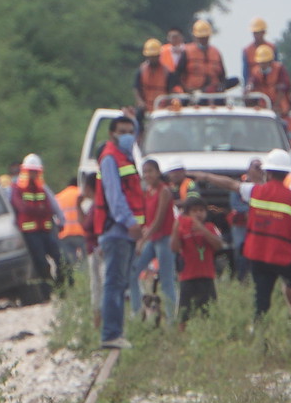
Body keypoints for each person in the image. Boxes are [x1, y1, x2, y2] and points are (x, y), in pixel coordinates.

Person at [190, 149, 291, 334]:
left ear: (268, 172)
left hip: (258, 255)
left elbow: (230, 184)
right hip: (284, 256)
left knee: (262, 302)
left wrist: (205, 176)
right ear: (286, 174)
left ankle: (260, 338)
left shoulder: (254, 191)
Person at [95, 114, 145, 348]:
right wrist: (130, 222)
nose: (127, 136)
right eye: (122, 132)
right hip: (117, 231)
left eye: (130, 132)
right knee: (114, 284)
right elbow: (114, 197)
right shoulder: (110, 158)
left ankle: (115, 332)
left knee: (120, 284)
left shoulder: (126, 158)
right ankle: (111, 334)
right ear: (112, 134)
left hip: (125, 232)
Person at [133, 157, 179, 320]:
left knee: (167, 281)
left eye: (150, 171)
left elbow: (159, 220)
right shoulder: (148, 191)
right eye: (145, 172)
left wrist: (142, 239)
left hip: (164, 239)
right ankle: (138, 311)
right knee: (133, 271)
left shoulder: (164, 191)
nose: (147, 175)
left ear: (158, 173)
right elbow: (146, 218)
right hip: (152, 239)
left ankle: (172, 319)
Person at [9, 153, 63, 286]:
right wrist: (39, 209)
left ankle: (62, 284)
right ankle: (48, 286)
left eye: (35, 171)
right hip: (30, 233)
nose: (33, 174)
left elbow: (49, 207)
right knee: (40, 261)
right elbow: (22, 208)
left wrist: (36, 209)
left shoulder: (41, 188)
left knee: (59, 257)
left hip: (45, 229)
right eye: (30, 171)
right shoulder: (16, 188)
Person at [173, 196, 224, 321]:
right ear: (187, 214)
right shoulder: (183, 229)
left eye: (201, 210)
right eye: (194, 211)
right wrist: (175, 228)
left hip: (207, 276)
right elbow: (175, 248)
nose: (198, 214)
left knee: (208, 313)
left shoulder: (210, 227)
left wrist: (201, 229)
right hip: (188, 277)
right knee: (184, 314)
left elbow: (218, 245)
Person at [177, 19, 227, 93]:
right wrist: (186, 90)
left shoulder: (216, 52)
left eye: (206, 37)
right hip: (193, 93)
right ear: (195, 37)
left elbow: (222, 76)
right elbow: (178, 74)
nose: (203, 40)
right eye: (201, 38)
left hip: (213, 93)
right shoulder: (187, 51)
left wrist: (221, 87)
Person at [247, 44, 291, 120]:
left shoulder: (279, 69)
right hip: (264, 108)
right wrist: (248, 89)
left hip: (280, 110)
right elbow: (251, 84)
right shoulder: (255, 72)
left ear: (270, 62)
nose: (263, 65)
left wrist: (275, 106)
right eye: (261, 63)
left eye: (265, 62)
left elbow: (283, 89)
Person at [133, 38, 175, 119]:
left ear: (159, 55)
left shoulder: (167, 72)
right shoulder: (141, 70)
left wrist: (167, 105)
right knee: (137, 117)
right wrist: (140, 102)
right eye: (150, 56)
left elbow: (170, 92)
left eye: (154, 56)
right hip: (145, 107)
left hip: (162, 107)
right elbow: (136, 88)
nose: (152, 59)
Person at [56, 176, 89, 264]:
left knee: (71, 262)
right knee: (86, 260)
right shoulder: (82, 194)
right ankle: (85, 272)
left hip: (64, 234)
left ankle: (75, 272)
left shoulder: (59, 197)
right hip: (82, 233)